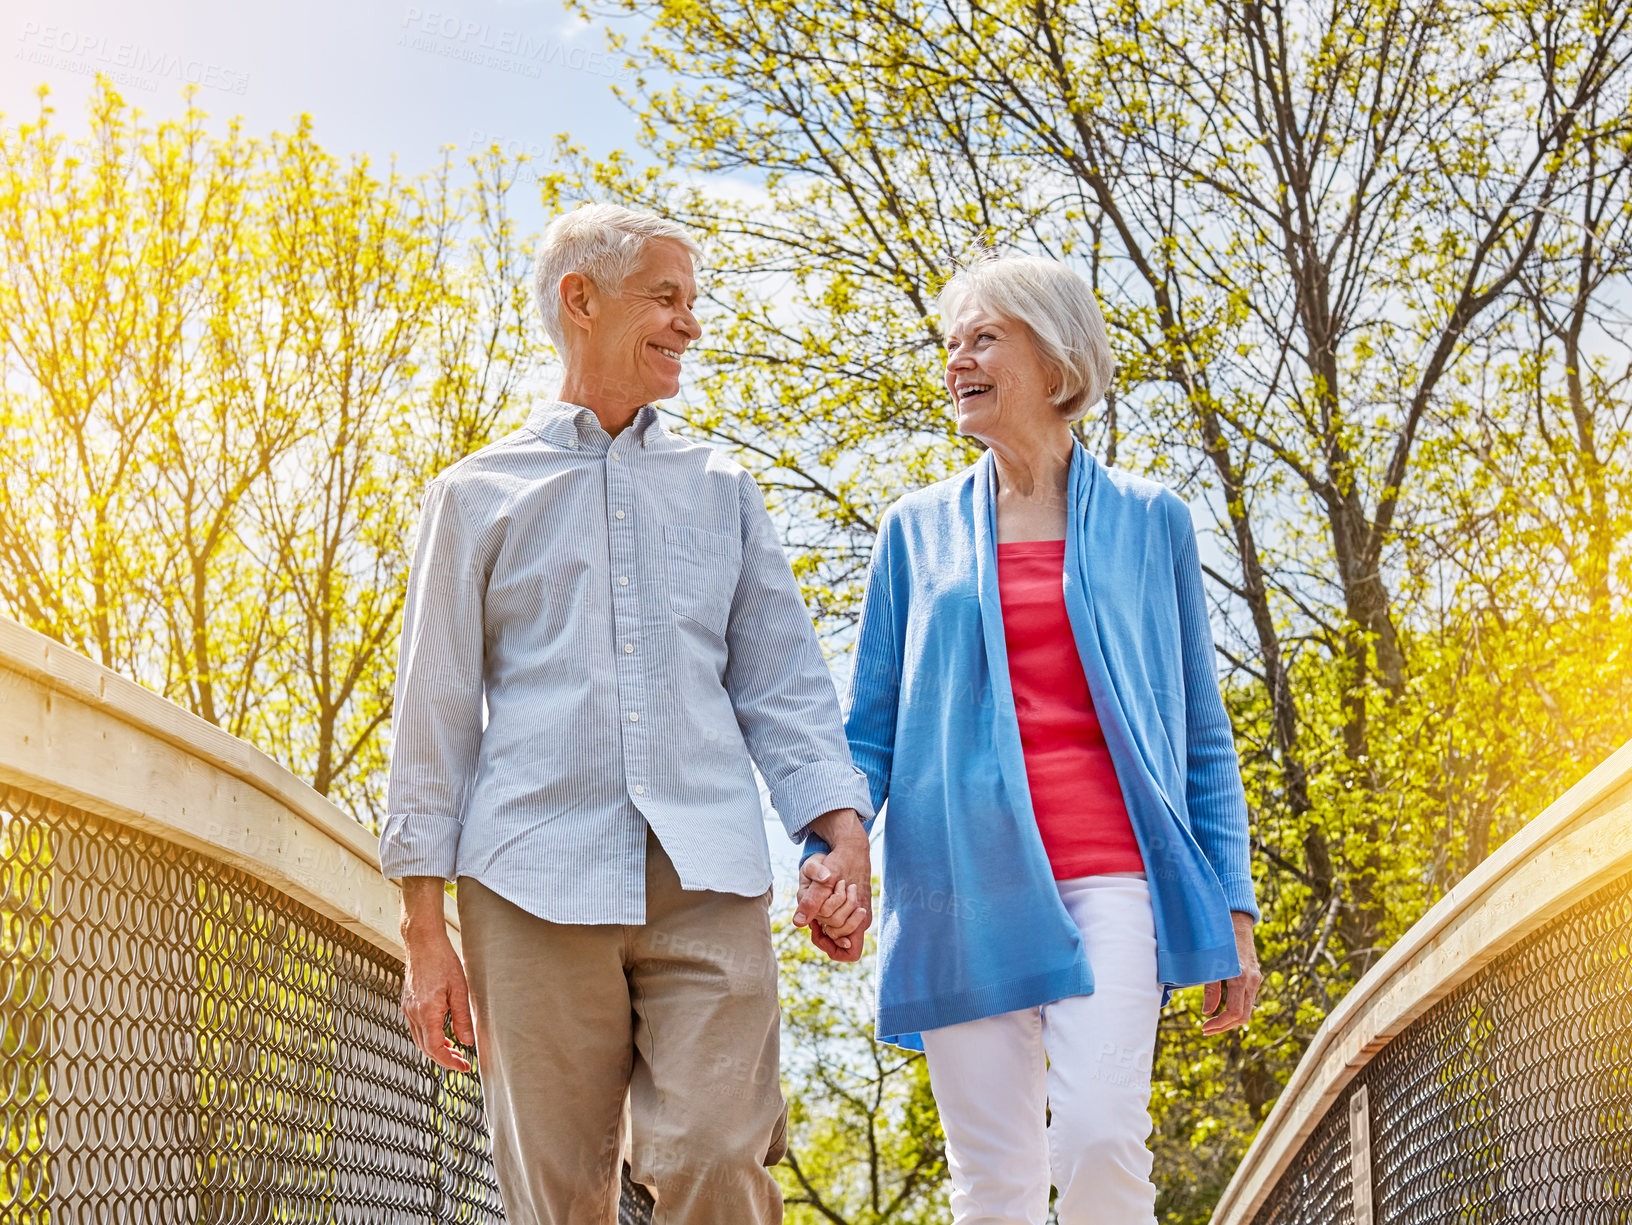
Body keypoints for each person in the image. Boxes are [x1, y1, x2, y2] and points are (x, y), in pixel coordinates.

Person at [380, 202, 873, 1225]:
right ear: (581, 301)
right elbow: (434, 715)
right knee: (559, 1200)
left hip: (707, 875)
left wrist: (838, 831)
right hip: (529, 880)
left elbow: (782, 682)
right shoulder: (476, 495)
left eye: (692, 302)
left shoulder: (722, 487)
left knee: (714, 1154)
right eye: (666, 297)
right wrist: (425, 929)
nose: (690, 323)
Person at [794, 253, 1262, 1224]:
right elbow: (868, 731)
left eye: (982, 337)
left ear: (1054, 362)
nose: (956, 359)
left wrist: (1235, 912)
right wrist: (832, 849)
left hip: (1112, 879)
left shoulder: (1150, 521)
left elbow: (1203, 736)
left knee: (1098, 1135)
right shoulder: (913, 532)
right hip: (962, 887)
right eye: (950, 342)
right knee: (996, 1185)